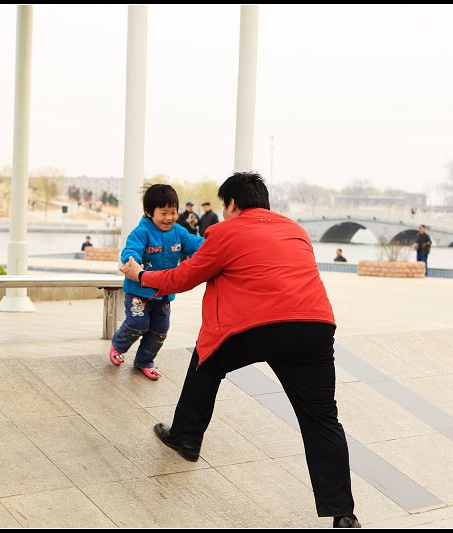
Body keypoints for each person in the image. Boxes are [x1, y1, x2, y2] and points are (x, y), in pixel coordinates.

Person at [121, 172, 359, 528]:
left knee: (206, 362)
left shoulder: (224, 231)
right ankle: (343, 515)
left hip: (251, 329)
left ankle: (186, 438)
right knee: (322, 420)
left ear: (231, 204)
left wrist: (140, 275)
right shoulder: (296, 230)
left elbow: (184, 277)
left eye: (224, 206)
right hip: (314, 329)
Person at [110, 184, 204, 381]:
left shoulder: (179, 232)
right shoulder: (142, 232)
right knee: (138, 323)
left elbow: (196, 245)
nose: (169, 217)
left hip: (163, 294)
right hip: (139, 292)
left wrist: (217, 243)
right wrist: (131, 261)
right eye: (163, 213)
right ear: (148, 212)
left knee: (160, 331)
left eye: (173, 212)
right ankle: (118, 345)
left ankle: (144, 361)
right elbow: (131, 250)